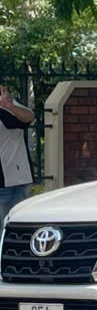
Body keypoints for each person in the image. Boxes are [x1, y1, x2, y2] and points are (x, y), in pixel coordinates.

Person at [0, 84, 35, 229]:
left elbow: (29, 117)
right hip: (4, 182)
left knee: (19, 225)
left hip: (19, 176)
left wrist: (10, 106)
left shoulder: (8, 105)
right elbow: (19, 121)